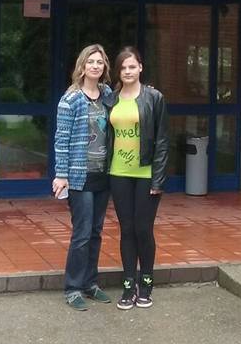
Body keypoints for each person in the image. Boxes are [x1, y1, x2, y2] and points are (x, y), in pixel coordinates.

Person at [104, 47, 169, 310]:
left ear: (140, 67)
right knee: (127, 229)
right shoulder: (111, 99)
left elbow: (162, 141)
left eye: (132, 66)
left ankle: (147, 283)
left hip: (145, 175)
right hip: (118, 173)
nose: (128, 71)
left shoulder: (154, 97)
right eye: (123, 68)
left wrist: (158, 180)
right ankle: (129, 285)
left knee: (143, 229)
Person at [53, 44, 113, 311]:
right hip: (79, 176)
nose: (95, 66)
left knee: (96, 232)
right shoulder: (71, 99)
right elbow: (61, 139)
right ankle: (73, 288)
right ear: (82, 66)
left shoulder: (108, 95)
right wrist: (61, 174)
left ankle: (90, 283)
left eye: (100, 62)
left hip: (103, 175)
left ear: (104, 66)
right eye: (91, 61)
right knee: (82, 233)